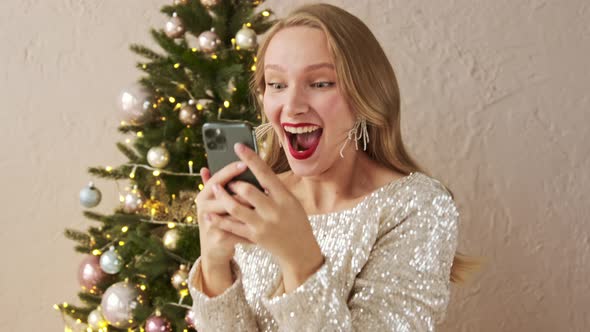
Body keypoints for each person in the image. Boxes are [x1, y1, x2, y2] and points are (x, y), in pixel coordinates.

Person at [189, 3, 479, 331]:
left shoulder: (416, 206)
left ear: (364, 95)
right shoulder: (257, 201)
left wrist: (299, 258)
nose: (292, 106)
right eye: (277, 84)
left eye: (321, 83)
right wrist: (214, 267)